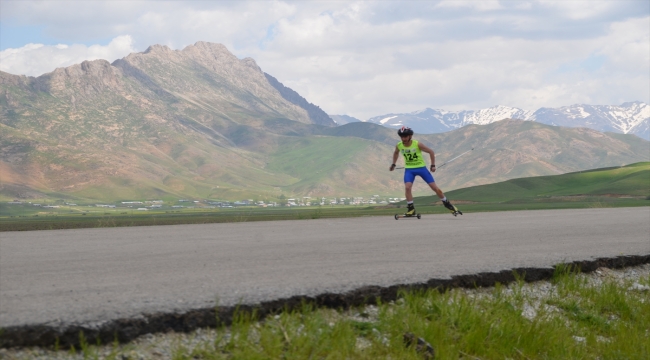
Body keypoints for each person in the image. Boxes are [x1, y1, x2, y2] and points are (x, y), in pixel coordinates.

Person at [389, 126, 460, 216]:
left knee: (435, 188)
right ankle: (411, 209)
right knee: (407, 187)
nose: (403, 139)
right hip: (409, 170)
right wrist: (393, 164)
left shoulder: (417, 144)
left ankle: (448, 204)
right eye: (402, 137)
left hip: (421, 168)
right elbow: (396, 152)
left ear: (410, 136)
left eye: (405, 136)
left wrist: (433, 165)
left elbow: (431, 152)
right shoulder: (399, 145)